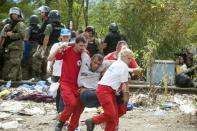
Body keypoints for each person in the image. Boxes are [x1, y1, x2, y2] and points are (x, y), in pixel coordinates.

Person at [85, 46, 133, 131]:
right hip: (105, 90)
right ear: (123, 57)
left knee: (114, 116)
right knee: (111, 114)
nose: (130, 61)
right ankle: (92, 121)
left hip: (108, 90)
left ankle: (101, 124)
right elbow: (125, 86)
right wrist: (126, 99)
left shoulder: (117, 63)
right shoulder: (123, 65)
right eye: (129, 58)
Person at [48, 35, 87, 131]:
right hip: (66, 84)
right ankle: (61, 122)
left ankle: (71, 128)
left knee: (78, 110)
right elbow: (50, 58)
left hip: (79, 86)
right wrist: (59, 48)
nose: (82, 48)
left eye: (84, 46)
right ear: (76, 44)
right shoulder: (67, 50)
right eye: (81, 45)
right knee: (72, 103)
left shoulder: (85, 54)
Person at [47, 28, 71, 113]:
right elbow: (50, 57)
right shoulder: (56, 45)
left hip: (67, 73)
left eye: (67, 36)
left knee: (64, 93)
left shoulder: (71, 45)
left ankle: (63, 111)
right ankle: (59, 110)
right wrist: (49, 66)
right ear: (61, 37)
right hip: (57, 72)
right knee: (57, 92)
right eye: (64, 36)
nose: (65, 38)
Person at [0, 7, 26, 80]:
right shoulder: (11, 24)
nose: (13, 15)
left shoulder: (20, 24)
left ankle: (12, 79)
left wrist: (11, 35)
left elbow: (22, 35)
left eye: (15, 14)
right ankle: (18, 78)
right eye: (12, 14)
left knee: (14, 63)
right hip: (11, 46)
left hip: (17, 47)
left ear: (19, 15)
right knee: (16, 62)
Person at [31, 5, 51, 79]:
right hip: (41, 44)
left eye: (42, 12)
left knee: (37, 58)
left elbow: (47, 35)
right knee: (41, 60)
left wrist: (44, 47)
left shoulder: (49, 21)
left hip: (46, 45)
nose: (40, 13)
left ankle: (38, 76)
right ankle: (41, 77)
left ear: (46, 13)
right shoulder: (44, 21)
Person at [22, 15, 40, 79]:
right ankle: (34, 78)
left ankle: (25, 78)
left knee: (26, 64)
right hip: (37, 47)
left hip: (29, 47)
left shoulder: (29, 28)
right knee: (35, 64)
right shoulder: (40, 28)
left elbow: (25, 39)